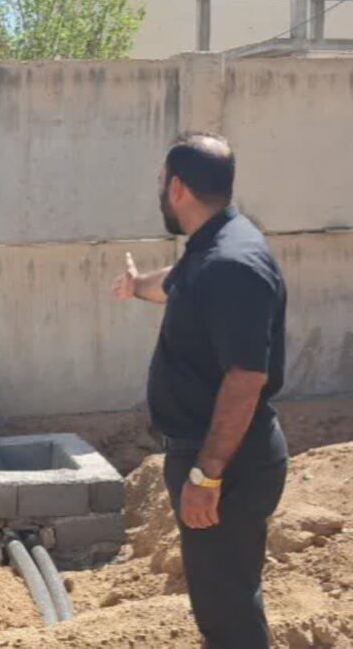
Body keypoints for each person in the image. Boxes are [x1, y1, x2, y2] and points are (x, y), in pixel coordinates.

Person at [112, 132, 288, 648]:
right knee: (223, 601)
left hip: (227, 465)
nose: (159, 192)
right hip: (218, 457)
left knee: (228, 613)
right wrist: (136, 286)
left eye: (161, 182)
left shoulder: (231, 264)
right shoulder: (215, 246)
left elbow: (246, 378)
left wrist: (207, 475)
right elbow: (180, 282)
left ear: (177, 188)